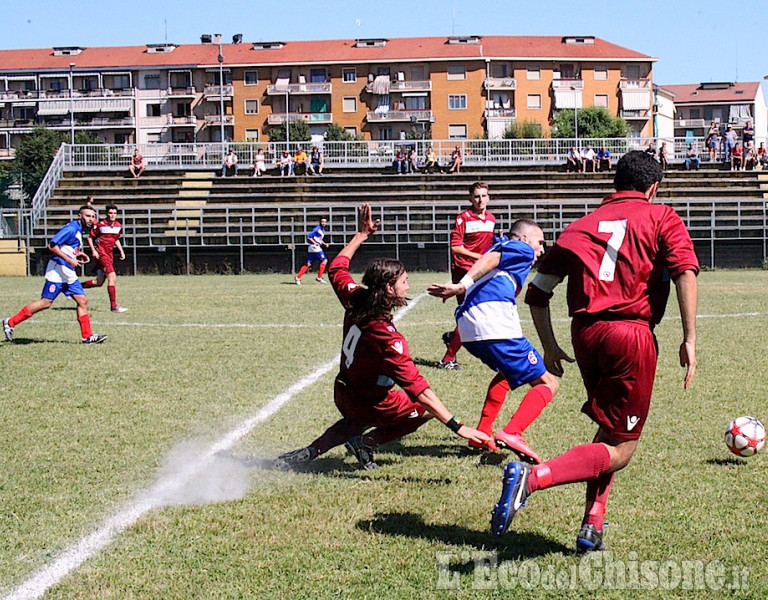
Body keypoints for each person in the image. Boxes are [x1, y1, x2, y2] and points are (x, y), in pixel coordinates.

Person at [491, 151, 699, 554]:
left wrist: (550, 345)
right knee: (621, 449)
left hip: (585, 334)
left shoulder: (580, 226)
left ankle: (592, 524)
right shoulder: (661, 216)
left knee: (608, 431)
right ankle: (532, 479)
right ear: (652, 188)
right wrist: (689, 337)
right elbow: (684, 271)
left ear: (615, 183)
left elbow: (537, 293)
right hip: (630, 335)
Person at [274, 203, 493, 470]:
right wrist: (459, 427)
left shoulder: (356, 296)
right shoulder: (389, 340)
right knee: (420, 410)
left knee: (361, 415)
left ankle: (311, 452)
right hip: (367, 401)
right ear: (389, 288)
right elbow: (421, 392)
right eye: (404, 281)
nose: (408, 286)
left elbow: (336, 268)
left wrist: (362, 234)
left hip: (344, 390)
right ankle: (368, 443)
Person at [427, 219, 560, 463]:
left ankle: (481, 433)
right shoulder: (519, 247)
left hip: (468, 328)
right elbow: (494, 258)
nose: (540, 250)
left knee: (507, 374)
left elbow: (492, 259)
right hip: (492, 323)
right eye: (539, 243)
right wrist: (461, 285)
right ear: (523, 238)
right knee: (548, 383)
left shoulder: (501, 249)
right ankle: (512, 432)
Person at [3, 205, 108, 344]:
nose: (91, 219)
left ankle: (87, 336)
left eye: (93, 216)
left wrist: (77, 253)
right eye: (87, 216)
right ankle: (10, 322)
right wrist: (70, 259)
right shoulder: (71, 229)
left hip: (67, 271)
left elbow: (66, 247)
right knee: (45, 303)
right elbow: (52, 246)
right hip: (59, 270)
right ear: (79, 216)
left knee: (82, 301)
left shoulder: (78, 229)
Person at [439, 182, 496, 371]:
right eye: (477, 196)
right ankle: (448, 359)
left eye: (484, 196)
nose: (480, 200)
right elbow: (455, 247)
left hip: (481, 271)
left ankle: (452, 339)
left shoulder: (491, 219)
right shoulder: (463, 219)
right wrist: (478, 257)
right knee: (470, 314)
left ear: (489, 197)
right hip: (464, 271)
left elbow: (486, 244)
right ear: (470, 198)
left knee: (473, 313)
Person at [82, 204, 128, 313]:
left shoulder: (117, 225)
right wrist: (93, 250)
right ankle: (114, 306)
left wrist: (121, 250)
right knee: (112, 277)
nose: (112, 215)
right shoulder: (100, 225)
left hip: (109, 254)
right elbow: (90, 238)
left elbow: (115, 239)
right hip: (101, 254)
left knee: (98, 282)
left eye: (114, 213)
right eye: (110, 213)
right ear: (107, 214)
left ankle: (71, 288)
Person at [295, 217, 330, 284]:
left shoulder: (322, 230)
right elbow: (309, 236)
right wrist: (315, 243)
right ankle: (319, 277)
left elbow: (318, 238)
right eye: (322, 221)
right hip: (314, 247)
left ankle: (298, 277)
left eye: (325, 222)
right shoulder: (317, 229)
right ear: (320, 222)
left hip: (312, 247)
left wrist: (324, 243)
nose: (323, 223)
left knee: (308, 264)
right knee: (324, 260)